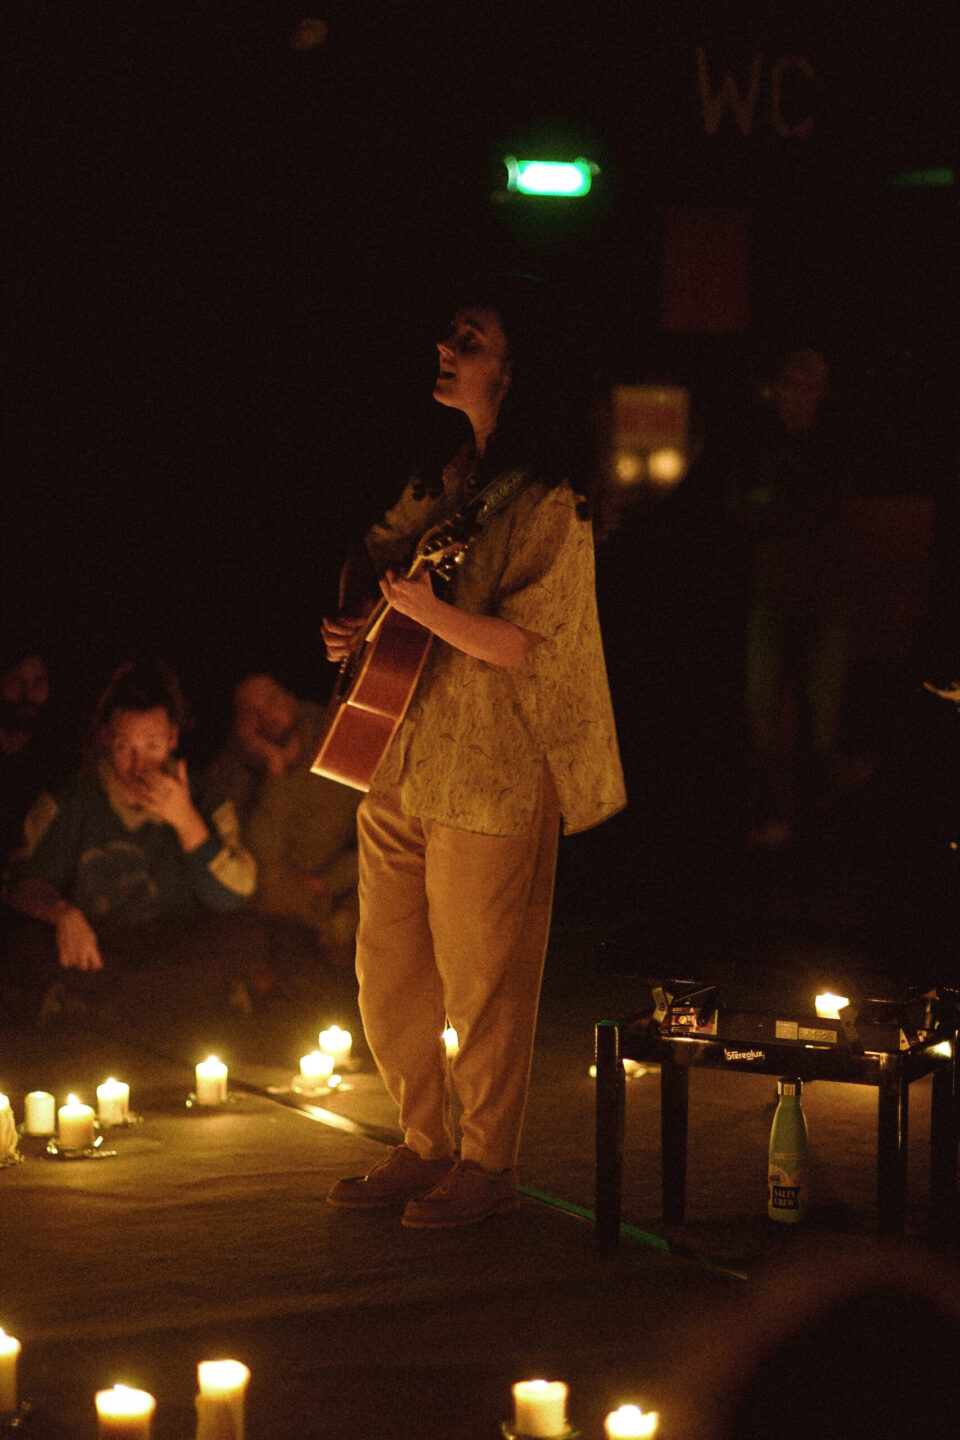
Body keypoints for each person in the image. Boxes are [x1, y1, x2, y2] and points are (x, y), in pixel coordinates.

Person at [321, 273, 626, 1228]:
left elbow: (528, 641)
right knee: (388, 967)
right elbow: (386, 569)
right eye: (450, 334)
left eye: (471, 338)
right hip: (404, 754)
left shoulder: (553, 504)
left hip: (493, 771)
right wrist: (362, 623)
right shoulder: (458, 483)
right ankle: (424, 1142)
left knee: (485, 979)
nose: (447, 349)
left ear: (516, 367)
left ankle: (487, 1164)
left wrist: (428, 612)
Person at [2, 658, 258, 1016]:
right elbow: (20, 884)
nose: (139, 764)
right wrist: (61, 913)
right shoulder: (74, 797)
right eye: (125, 746)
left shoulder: (204, 796)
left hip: (175, 942)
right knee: (25, 941)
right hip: (100, 944)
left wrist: (186, 822)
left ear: (172, 738)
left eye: (152, 745)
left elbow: (233, 896)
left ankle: (109, 1005)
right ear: (106, 738)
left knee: (243, 933)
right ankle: (167, 1003)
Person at [208, 672, 360, 971]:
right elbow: (262, 857)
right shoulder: (229, 774)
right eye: (250, 711)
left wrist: (328, 883)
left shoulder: (336, 739)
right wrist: (275, 771)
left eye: (271, 701)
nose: (264, 715)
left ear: (291, 700)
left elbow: (374, 827)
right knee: (263, 887)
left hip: (342, 877)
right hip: (283, 892)